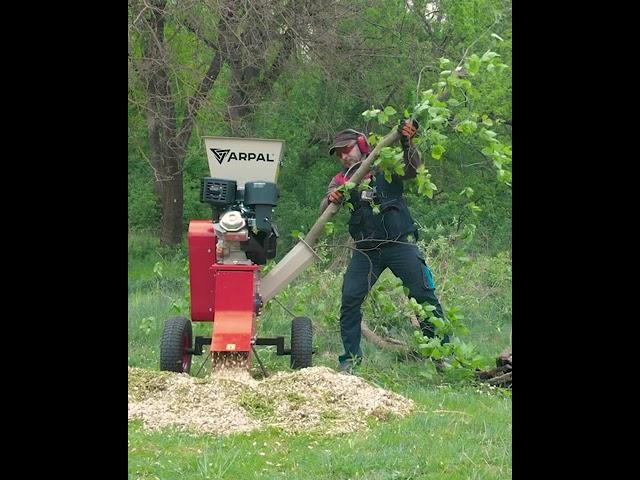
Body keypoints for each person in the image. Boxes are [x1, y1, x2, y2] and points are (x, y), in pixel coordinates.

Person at [320, 120, 449, 373]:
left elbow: (412, 170)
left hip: (400, 243)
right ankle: (350, 361)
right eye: (339, 154)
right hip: (366, 250)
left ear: (361, 144)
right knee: (350, 300)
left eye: (347, 149)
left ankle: (441, 355)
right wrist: (331, 198)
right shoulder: (341, 180)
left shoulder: (386, 164)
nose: (344, 156)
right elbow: (325, 210)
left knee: (424, 296)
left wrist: (407, 142)